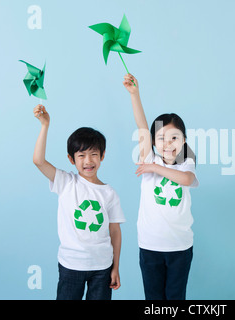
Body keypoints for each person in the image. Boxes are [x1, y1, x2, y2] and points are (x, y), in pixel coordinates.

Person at [32, 105, 125, 300]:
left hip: (102, 267)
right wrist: (45, 125)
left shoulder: (109, 193)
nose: (88, 161)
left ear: (102, 155)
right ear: (71, 159)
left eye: (93, 154)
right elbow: (38, 161)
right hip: (71, 264)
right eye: (81, 155)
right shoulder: (66, 182)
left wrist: (115, 267)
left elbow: (115, 232)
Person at [123, 74, 199, 300]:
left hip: (180, 247)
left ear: (183, 140)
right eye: (161, 138)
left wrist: (156, 169)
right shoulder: (149, 158)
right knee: (154, 300)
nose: (168, 144)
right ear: (154, 142)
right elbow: (141, 126)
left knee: (175, 298)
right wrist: (135, 94)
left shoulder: (187, 161)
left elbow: (185, 180)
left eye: (174, 138)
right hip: (150, 245)